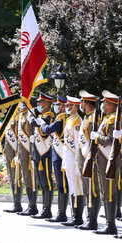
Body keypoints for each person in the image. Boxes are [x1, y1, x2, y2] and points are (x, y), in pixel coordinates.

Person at [90, 90, 121, 235]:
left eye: (105, 103)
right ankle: (109, 223)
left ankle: (110, 225)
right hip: (102, 161)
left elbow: (110, 140)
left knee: (109, 192)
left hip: (109, 161)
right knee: (105, 192)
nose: (103, 106)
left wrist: (96, 137)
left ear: (110, 104)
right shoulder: (107, 118)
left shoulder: (113, 119)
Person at [38, 96, 69, 222]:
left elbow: (48, 130)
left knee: (63, 185)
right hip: (57, 155)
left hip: (61, 155)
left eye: (58, 105)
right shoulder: (60, 118)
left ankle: (62, 214)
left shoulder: (62, 119)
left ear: (62, 106)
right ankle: (60, 213)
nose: (56, 107)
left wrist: (42, 123)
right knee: (61, 185)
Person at [76, 90, 101, 230]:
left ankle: (92, 221)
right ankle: (88, 218)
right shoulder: (86, 117)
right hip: (83, 159)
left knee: (93, 190)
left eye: (82, 101)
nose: (81, 104)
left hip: (89, 159)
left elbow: (93, 143)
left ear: (86, 103)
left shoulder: (93, 119)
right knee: (87, 190)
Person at [28, 92, 55, 219]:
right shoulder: (42, 116)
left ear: (47, 104)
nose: (38, 104)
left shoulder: (49, 116)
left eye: (40, 102)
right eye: (38, 102)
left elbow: (40, 126)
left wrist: (31, 118)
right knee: (41, 181)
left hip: (45, 153)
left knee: (46, 181)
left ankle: (47, 209)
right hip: (37, 153)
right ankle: (44, 208)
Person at [60, 96, 84, 227]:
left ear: (75, 107)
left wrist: (77, 162)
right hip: (68, 159)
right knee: (72, 188)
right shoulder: (70, 120)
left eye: (69, 106)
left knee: (77, 188)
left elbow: (77, 143)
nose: (67, 108)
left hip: (74, 160)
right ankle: (73, 215)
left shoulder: (77, 122)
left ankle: (78, 217)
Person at [16, 102, 38, 216]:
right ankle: (30, 205)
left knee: (30, 178)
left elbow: (33, 132)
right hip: (22, 152)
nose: (20, 104)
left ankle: (33, 206)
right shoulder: (22, 115)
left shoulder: (30, 114)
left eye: (22, 102)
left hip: (29, 152)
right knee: (26, 177)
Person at [3, 112, 22, 213]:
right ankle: (15, 203)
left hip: (15, 152)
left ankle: (18, 204)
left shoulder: (19, 117)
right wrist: (4, 151)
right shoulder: (9, 117)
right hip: (9, 152)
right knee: (11, 177)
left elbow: (20, 136)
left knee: (16, 177)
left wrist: (18, 152)